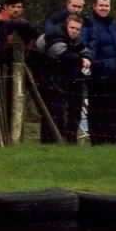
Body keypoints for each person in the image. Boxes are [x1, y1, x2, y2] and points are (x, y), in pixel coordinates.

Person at [33, 14, 91, 142]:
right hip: (50, 80)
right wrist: (81, 59)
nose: (74, 31)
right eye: (72, 28)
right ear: (66, 25)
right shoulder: (55, 35)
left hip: (67, 80)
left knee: (73, 112)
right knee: (54, 113)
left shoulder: (75, 39)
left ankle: (70, 141)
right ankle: (50, 142)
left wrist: (87, 58)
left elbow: (85, 50)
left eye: (77, 29)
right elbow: (61, 54)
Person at [82, 0, 116, 145]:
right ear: (95, 6)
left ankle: (110, 140)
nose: (104, 8)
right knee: (97, 110)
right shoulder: (89, 24)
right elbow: (86, 46)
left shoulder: (113, 24)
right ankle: (97, 141)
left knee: (113, 109)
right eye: (101, 5)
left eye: (107, 6)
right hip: (98, 74)